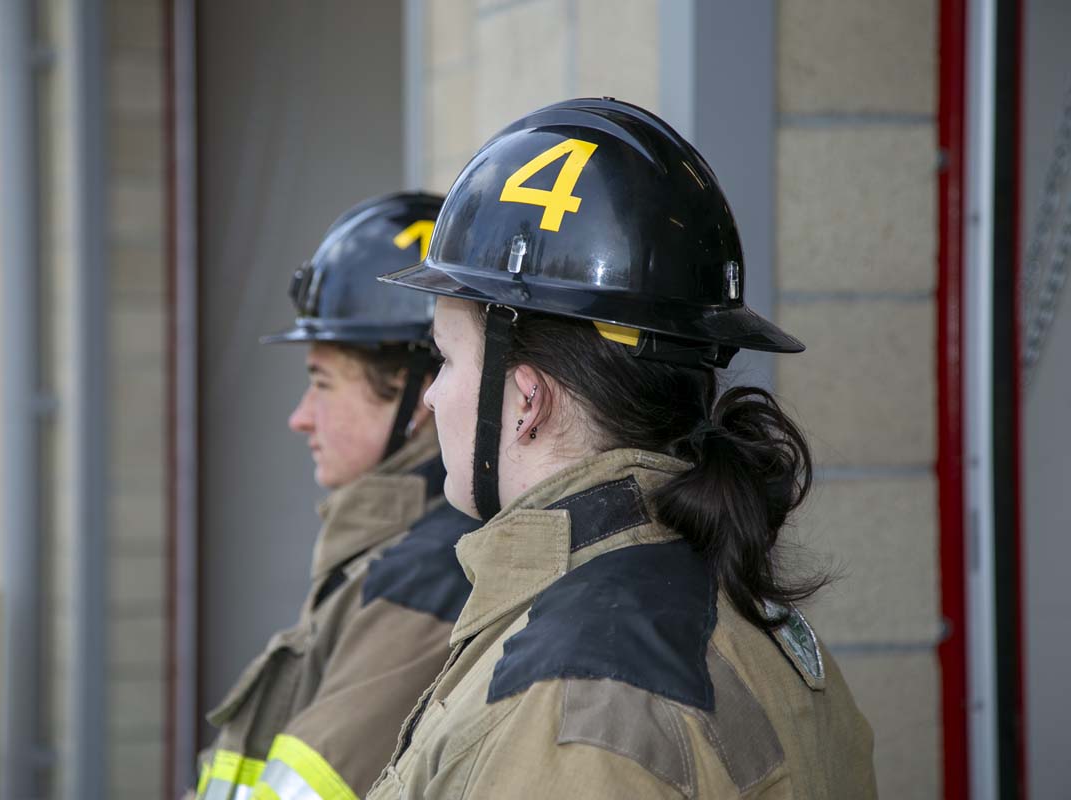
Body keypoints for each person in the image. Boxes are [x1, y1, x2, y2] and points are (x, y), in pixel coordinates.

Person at [366, 99, 877, 798]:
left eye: (445, 359)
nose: (430, 399)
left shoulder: (573, 696)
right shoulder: (735, 613)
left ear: (525, 401)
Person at [194, 192, 478, 800]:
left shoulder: (430, 574)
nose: (300, 417)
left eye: (322, 383)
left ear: (417, 397)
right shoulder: (386, 551)